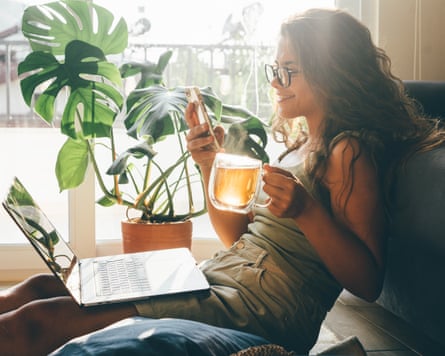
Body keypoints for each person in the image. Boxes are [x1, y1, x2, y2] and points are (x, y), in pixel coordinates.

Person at [1, 8, 444, 355]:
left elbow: (367, 282)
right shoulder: (300, 146)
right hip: (219, 276)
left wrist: (307, 211)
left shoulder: (350, 152)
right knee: (43, 287)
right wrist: (207, 163)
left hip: (261, 308)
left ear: (331, 72)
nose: (277, 82)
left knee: (37, 322)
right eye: (275, 69)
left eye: (290, 70)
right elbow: (239, 235)